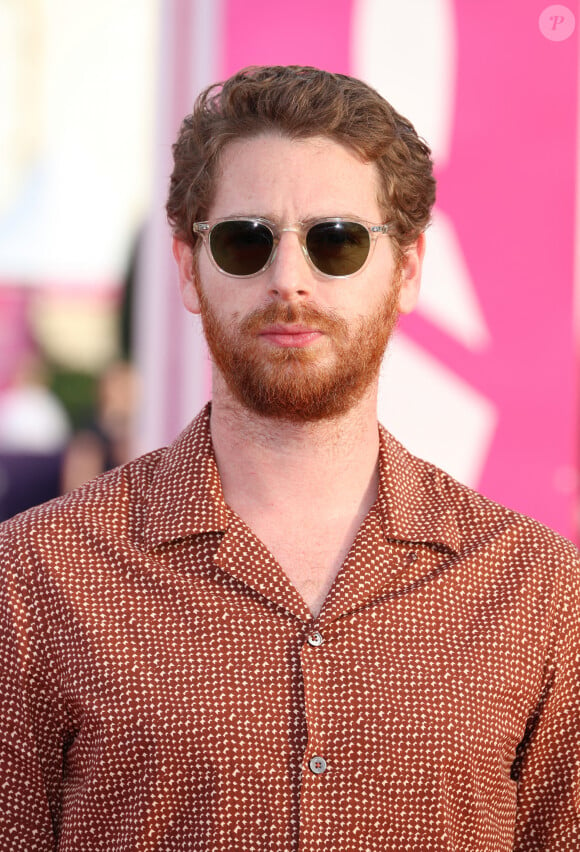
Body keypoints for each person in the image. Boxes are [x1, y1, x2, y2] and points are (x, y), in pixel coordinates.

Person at [0, 65, 578, 851]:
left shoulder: (535, 588)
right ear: (188, 269)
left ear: (406, 269)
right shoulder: (37, 578)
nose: (289, 282)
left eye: (335, 242)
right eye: (246, 241)